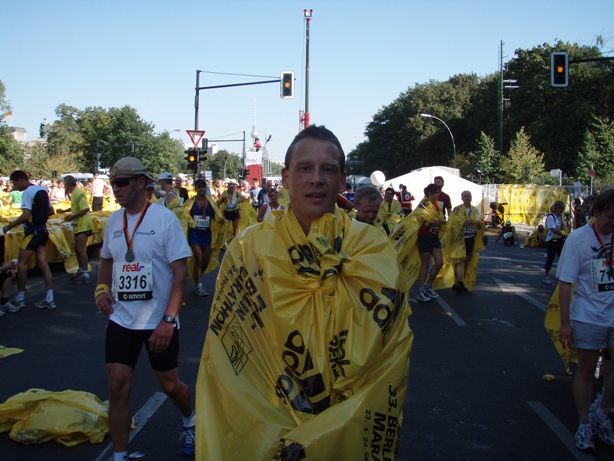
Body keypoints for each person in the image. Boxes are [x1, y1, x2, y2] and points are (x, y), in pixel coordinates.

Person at [196, 125, 413, 460]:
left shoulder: (372, 248)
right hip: (270, 424)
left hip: (345, 429)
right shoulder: (249, 247)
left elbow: (390, 353)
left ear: (342, 181)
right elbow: (228, 351)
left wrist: (328, 428)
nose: (316, 179)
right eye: (305, 168)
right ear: (285, 177)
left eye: (327, 169)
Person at [95, 157, 195, 460]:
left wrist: (169, 319)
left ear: (141, 183)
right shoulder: (114, 221)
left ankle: (190, 420)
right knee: (117, 385)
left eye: (122, 182)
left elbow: (181, 274)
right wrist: (101, 289)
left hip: (158, 321)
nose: (116, 188)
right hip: (123, 319)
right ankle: (120, 456)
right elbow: (107, 261)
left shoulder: (164, 220)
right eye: (113, 183)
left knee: (169, 385)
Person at [557, 189, 614, 451]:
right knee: (588, 371)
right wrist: (565, 323)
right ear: (597, 212)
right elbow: (566, 284)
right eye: (610, 218)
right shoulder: (578, 239)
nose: (613, 224)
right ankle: (584, 423)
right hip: (588, 316)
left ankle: (602, 412)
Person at [2, 171, 55, 310]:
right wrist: (39, 217)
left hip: (33, 232)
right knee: (43, 263)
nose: (14, 186)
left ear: (20, 180)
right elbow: (51, 211)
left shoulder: (27, 192)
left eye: (14, 183)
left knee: (21, 264)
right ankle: (50, 298)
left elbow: (25, 216)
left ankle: (20, 298)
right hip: (43, 231)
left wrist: (10, 225)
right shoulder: (42, 190)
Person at [183, 178, 225, 297]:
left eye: (203, 186)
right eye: (199, 187)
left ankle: (198, 278)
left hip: (206, 235)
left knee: (206, 260)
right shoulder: (190, 202)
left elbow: (216, 215)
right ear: (195, 189)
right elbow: (183, 214)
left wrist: (223, 221)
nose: (201, 189)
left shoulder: (210, 202)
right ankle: (199, 285)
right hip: (194, 235)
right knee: (199, 258)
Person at [57, 175, 93, 283]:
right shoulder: (73, 194)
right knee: (77, 248)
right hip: (78, 225)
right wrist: (64, 211)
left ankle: (86, 273)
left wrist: (72, 216)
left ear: (68, 184)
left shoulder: (77, 192)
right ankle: (82, 270)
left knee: (81, 249)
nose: (64, 186)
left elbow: (86, 208)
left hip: (84, 225)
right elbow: (75, 207)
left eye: (64, 184)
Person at [416, 183, 446, 302]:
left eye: (439, 192)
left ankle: (429, 285)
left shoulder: (437, 204)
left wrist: (440, 222)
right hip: (424, 235)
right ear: (429, 193)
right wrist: (430, 223)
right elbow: (419, 220)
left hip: (434, 235)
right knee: (425, 263)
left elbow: (441, 217)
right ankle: (421, 289)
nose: (438, 195)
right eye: (436, 193)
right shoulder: (423, 204)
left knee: (439, 262)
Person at [450, 191, 482, 292]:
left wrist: (478, 225)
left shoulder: (475, 210)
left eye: (469, 196)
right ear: (462, 198)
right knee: (459, 260)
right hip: (460, 239)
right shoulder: (457, 209)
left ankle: (461, 281)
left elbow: (479, 223)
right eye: (465, 196)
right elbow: (452, 223)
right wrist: (463, 224)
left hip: (470, 238)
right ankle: (459, 281)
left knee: (467, 259)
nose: (468, 198)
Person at [543, 200, 567, 285]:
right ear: (556, 208)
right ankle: (546, 276)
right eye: (561, 208)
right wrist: (561, 233)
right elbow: (553, 229)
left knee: (563, 257)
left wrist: (565, 230)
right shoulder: (551, 217)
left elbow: (562, 226)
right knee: (551, 258)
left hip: (560, 240)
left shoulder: (560, 217)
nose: (562, 210)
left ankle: (563, 276)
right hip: (552, 240)